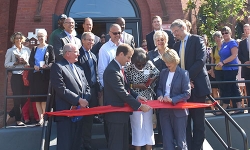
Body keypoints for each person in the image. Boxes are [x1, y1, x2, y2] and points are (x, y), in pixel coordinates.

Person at [170, 19, 211, 150]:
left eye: (176, 31)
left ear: (183, 28)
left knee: (198, 123)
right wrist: (184, 81)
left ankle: (197, 148)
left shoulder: (197, 40)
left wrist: (186, 78)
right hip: (183, 91)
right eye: (173, 32)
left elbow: (200, 61)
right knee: (185, 122)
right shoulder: (176, 46)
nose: (174, 34)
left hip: (197, 87)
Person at [103, 43, 151, 150]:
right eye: (128, 57)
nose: (129, 60)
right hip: (115, 115)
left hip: (122, 114)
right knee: (116, 145)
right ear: (121, 54)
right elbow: (122, 93)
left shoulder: (118, 68)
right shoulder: (112, 71)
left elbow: (126, 87)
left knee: (123, 144)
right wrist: (139, 106)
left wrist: (137, 96)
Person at [50, 43, 90, 150]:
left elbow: (87, 88)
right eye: (76, 51)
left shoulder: (79, 68)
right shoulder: (58, 67)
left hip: (80, 113)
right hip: (66, 114)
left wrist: (84, 101)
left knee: (76, 144)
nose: (79, 54)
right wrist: (78, 100)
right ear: (68, 53)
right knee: (65, 145)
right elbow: (60, 89)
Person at [125, 48, 159, 150]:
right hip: (134, 100)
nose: (141, 66)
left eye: (143, 64)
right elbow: (124, 85)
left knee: (148, 126)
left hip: (147, 98)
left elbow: (157, 73)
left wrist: (152, 80)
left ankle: (149, 148)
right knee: (137, 127)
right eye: (138, 64)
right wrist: (136, 86)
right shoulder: (128, 67)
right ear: (133, 61)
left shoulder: (148, 64)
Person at [157, 49, 191, 150]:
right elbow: (159, 88)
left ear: (175, 60)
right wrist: (160, 95)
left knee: (181, 141)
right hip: (164, 111)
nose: (167, 64)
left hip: (179, 111)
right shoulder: (163, 72)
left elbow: (187, 93)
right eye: (165, 62)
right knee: (167, 141)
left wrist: (172, 99)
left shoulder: (183, 73)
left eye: (169, 62)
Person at [76, 32, 100, 150]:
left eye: (92, 40)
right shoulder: (78, 55)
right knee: (81, 120)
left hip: (93, 91)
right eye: (89, 40)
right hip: (82, 93)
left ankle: (87, 143)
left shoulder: (93, 55)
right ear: (83, 41)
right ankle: (80, 144)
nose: (91, 42)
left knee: (89, 119)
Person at [28, 29, 55, 126]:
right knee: (36, 98)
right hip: (35, 75)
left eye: (42, 36)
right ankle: (40, 118)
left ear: (46, 37)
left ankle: (44, 117)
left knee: (43, 98)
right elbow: (30, 61)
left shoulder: (50, 48)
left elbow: (52, 61)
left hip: (44, 76)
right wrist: (33, 66)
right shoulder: (34, 49)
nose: (40, 38)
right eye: (38, 36)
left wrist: (46, 66)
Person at [148, 30, 170, 144]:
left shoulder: (170, 52)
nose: (160, 42)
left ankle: (169, 137)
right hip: (156, 87)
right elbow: (147, 70)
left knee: (169, 112)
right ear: (155, 41)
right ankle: (160, 137)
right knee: (160, 112)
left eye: (162, 39)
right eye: (158, 40)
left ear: (166, 40)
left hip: (170, 87)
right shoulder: (151, 54)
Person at [4, 32, 30, 126]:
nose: (18, 40)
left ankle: (10, 114)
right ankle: (18, 120)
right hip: (16, 76)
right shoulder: (10, 50)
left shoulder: (27, 50)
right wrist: (15, 63)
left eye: (20, 38)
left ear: (22, 39)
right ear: (14, 40)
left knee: (25, 98)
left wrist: (25, 61)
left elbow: (30, 62)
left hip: (25, 75)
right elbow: (6, 64)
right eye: (16, 38)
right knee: (17, 98)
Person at [216, 26, 243, 114]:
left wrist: (223, 62)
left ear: (230, 33)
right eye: (223, 33)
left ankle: (225, 106)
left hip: (231, 68)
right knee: (233, 86)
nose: (224, 35)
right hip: (225, 68)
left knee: (227, 86)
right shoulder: (224, 43)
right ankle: (239, 106)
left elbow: (234, 55)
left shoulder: (232, 42)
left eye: (226, 32)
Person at [203, 34, 220, 111]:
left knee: (215, 90)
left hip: (212, 72)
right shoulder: (198, 50)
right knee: (208, 92)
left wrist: (211, 70)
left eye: (205, 39)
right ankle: (212, 108)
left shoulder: (210, 49)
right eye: (202, 39)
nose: (204, 41)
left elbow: (213, 60)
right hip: (203, 72)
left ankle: (218, 107)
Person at [238, 24, 250, 113]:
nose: (246, 31)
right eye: (245, 29)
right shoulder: (242, 43)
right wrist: (245, 62)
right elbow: (240, 54)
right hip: (246, 68)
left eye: (248, 29)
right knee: (248, 89)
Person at [211, 31, 223, 110]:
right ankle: (219, 107)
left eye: (218, 37)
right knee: (217, 88)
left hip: (225, 70)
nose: (217, 39)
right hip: (217, 70)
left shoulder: (225, 46)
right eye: (215, 38)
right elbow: (212, 60)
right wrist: (212, 70)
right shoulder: (214, 48)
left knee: (223, 88)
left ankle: (225, 105)